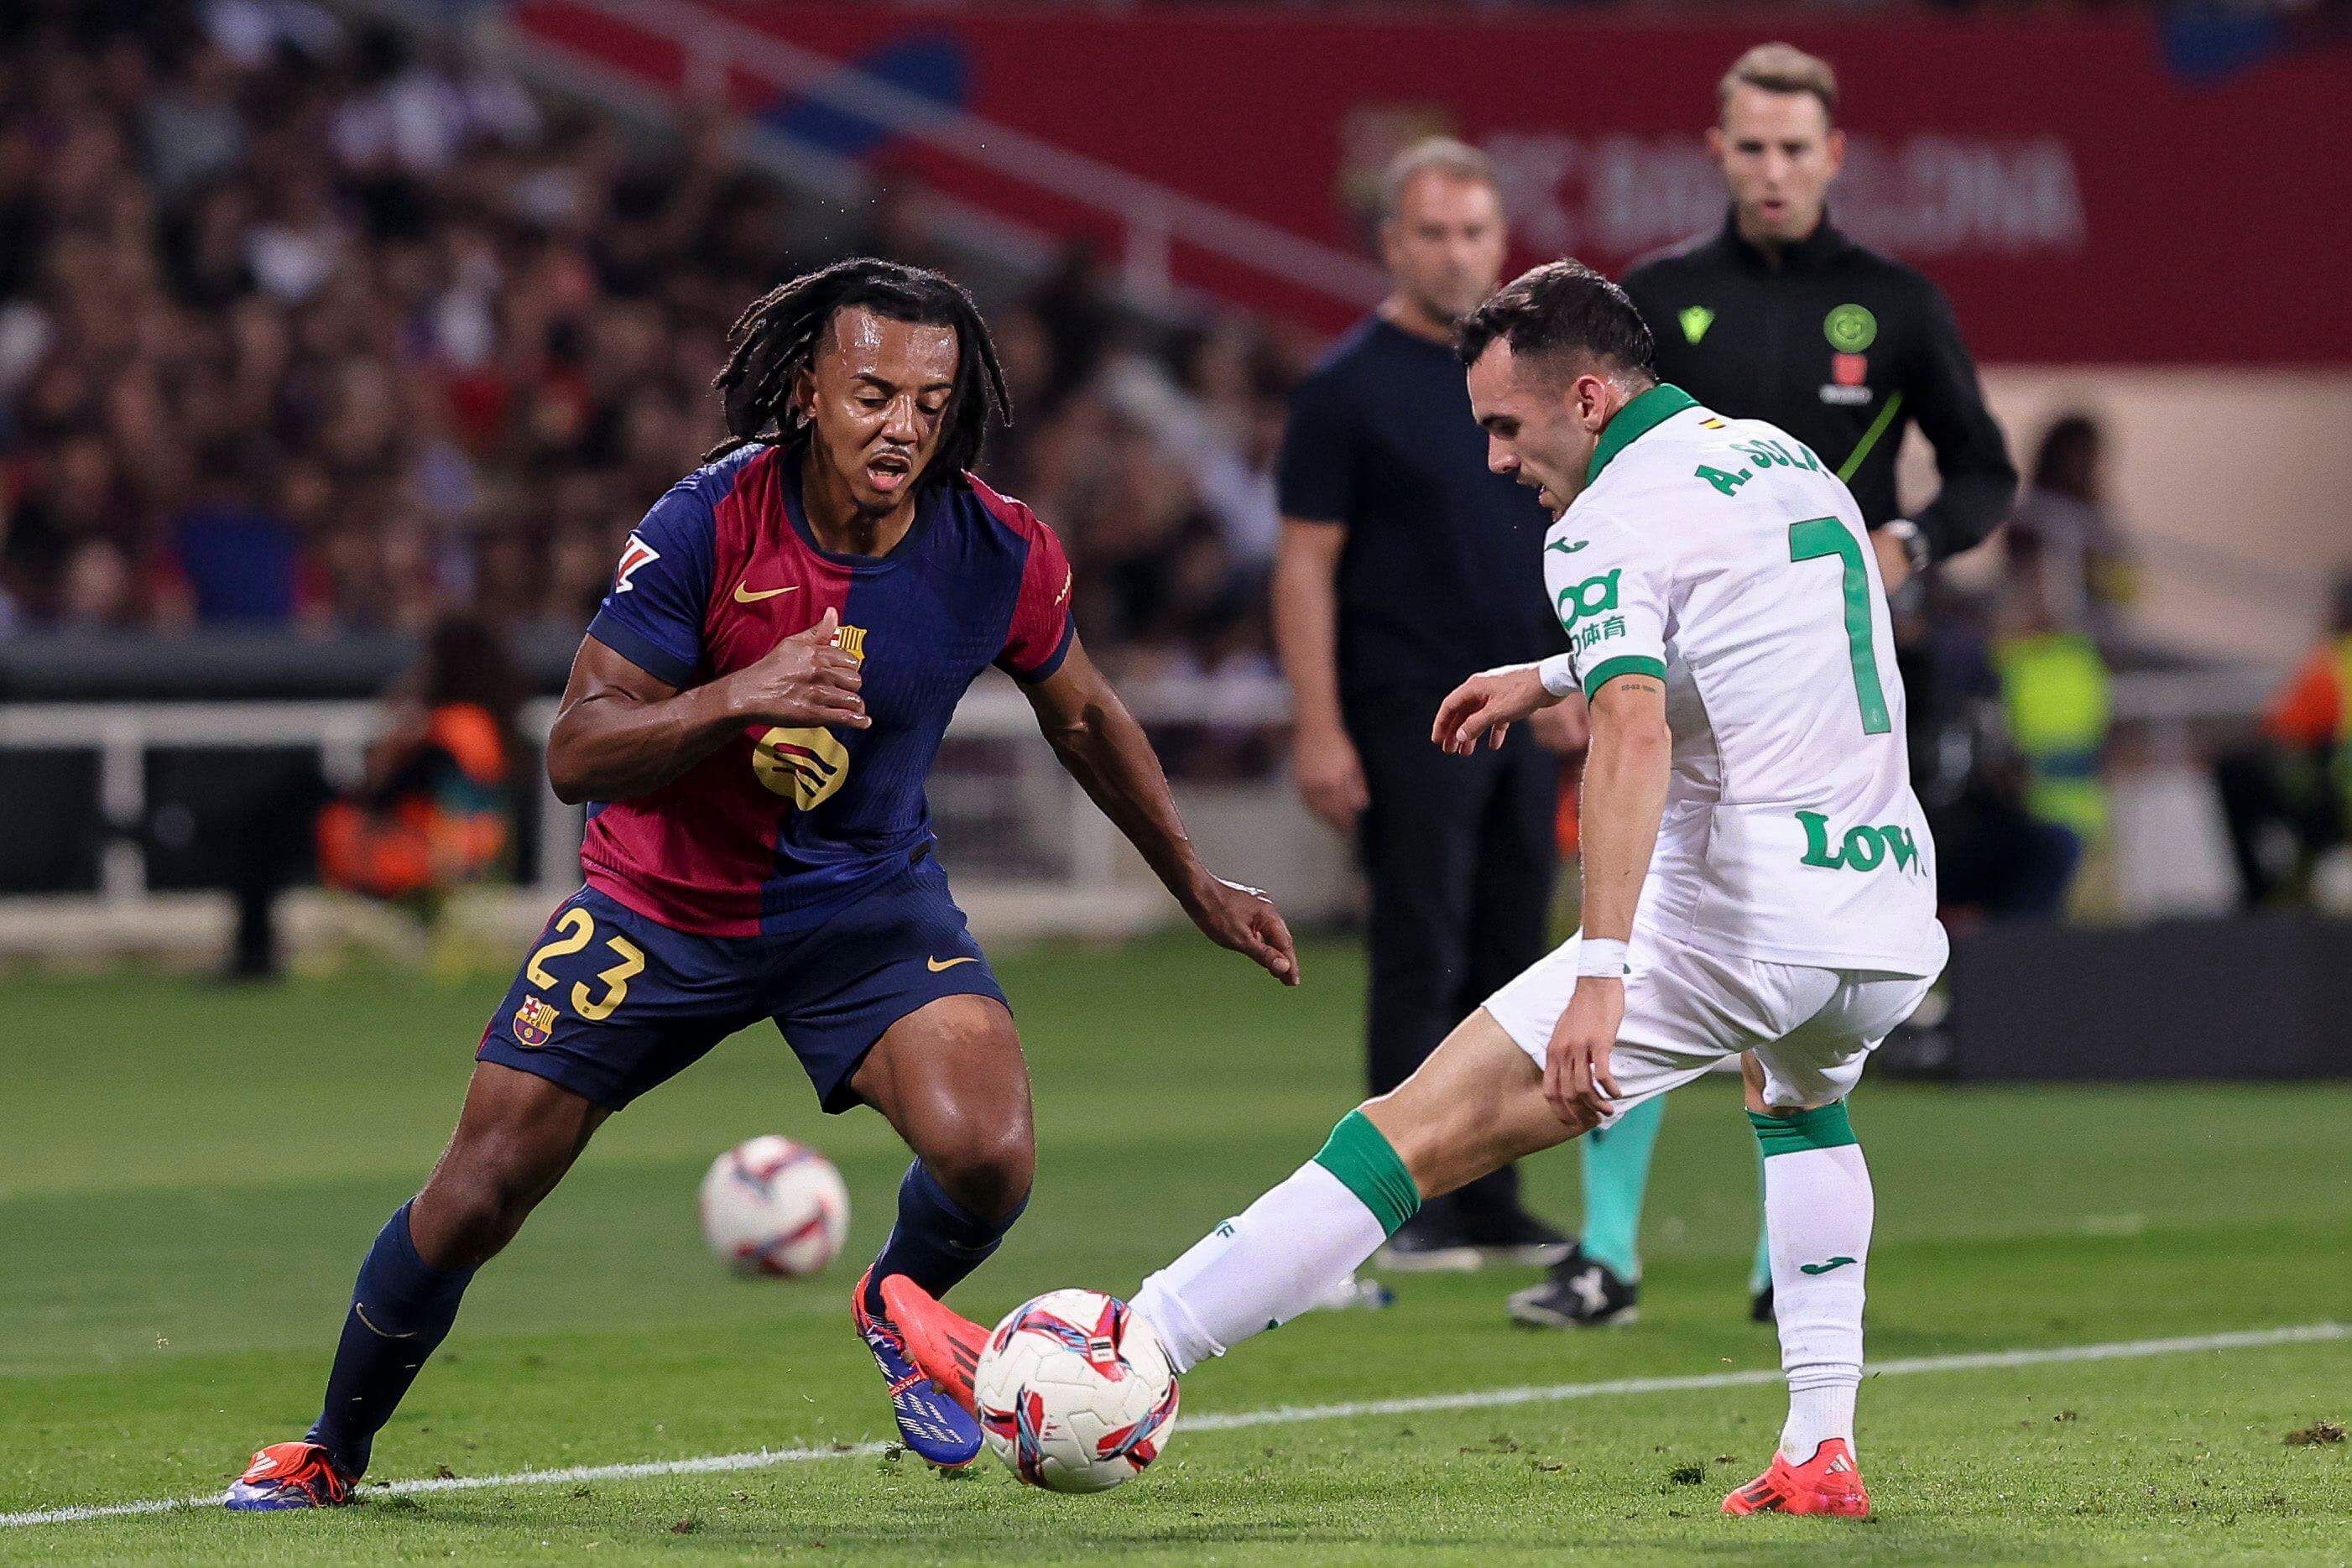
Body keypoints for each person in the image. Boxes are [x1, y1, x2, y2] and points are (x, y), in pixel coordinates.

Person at [226, 259, 1298, 1509]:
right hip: (658, 906)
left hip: (862, 905)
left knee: (991, 1156)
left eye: (932, 399)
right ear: (807, 389)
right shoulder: (708, 522)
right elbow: (575, 746)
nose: (904, 424)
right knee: (480, 1191)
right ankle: (327, 1449)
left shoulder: (994, 547)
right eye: (874, 391)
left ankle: (895, 1304)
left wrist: (1197, 885)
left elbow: (1087, 719)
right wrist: (743, 695)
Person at [888, 260, 1947, 1520]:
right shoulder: (1775, 458)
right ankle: (1823, 1447)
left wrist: (1603, 969)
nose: (1497, 458)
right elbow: (1753, 634)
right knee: (1803, 1104)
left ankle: (1137, 1349)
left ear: (1592, 398)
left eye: (1509, 426)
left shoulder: (1604, 521)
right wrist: (1552, 671)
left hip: (1739, 915)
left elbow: (1637, 729)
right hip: (1882, 911)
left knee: (1405, 1133)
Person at [1523, 41, 2011, 1329]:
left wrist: (1904, 542)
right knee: (1637, 916)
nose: (1776, 169)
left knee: (1779, 947)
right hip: (1671, 676)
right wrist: (1579, 659)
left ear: (1835, 156)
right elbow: (1589, 487)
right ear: (1718, 152)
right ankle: (1606, 1253)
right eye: (1753, 147)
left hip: (1828, 694)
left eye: (1798, 148)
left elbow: (1983, 473)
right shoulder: (1659, 295)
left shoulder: (1899, 304)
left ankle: (1772, 1263)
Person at [1274, 138, 1573, 1270]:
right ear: (1393, 243)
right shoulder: (1346, 389)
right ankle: (1399, 1208)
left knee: (1513, 952)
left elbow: (1555, 535)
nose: (1457, 252)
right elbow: (1303, 564)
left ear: (1503, 244)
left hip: (1523, 706)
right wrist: (1319, 724)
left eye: (1475, 232)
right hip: (1408, 703)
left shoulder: (1522, 382)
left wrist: (1563, 673)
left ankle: (1488, 1199)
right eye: (1434, 232)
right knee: (1422, 948)